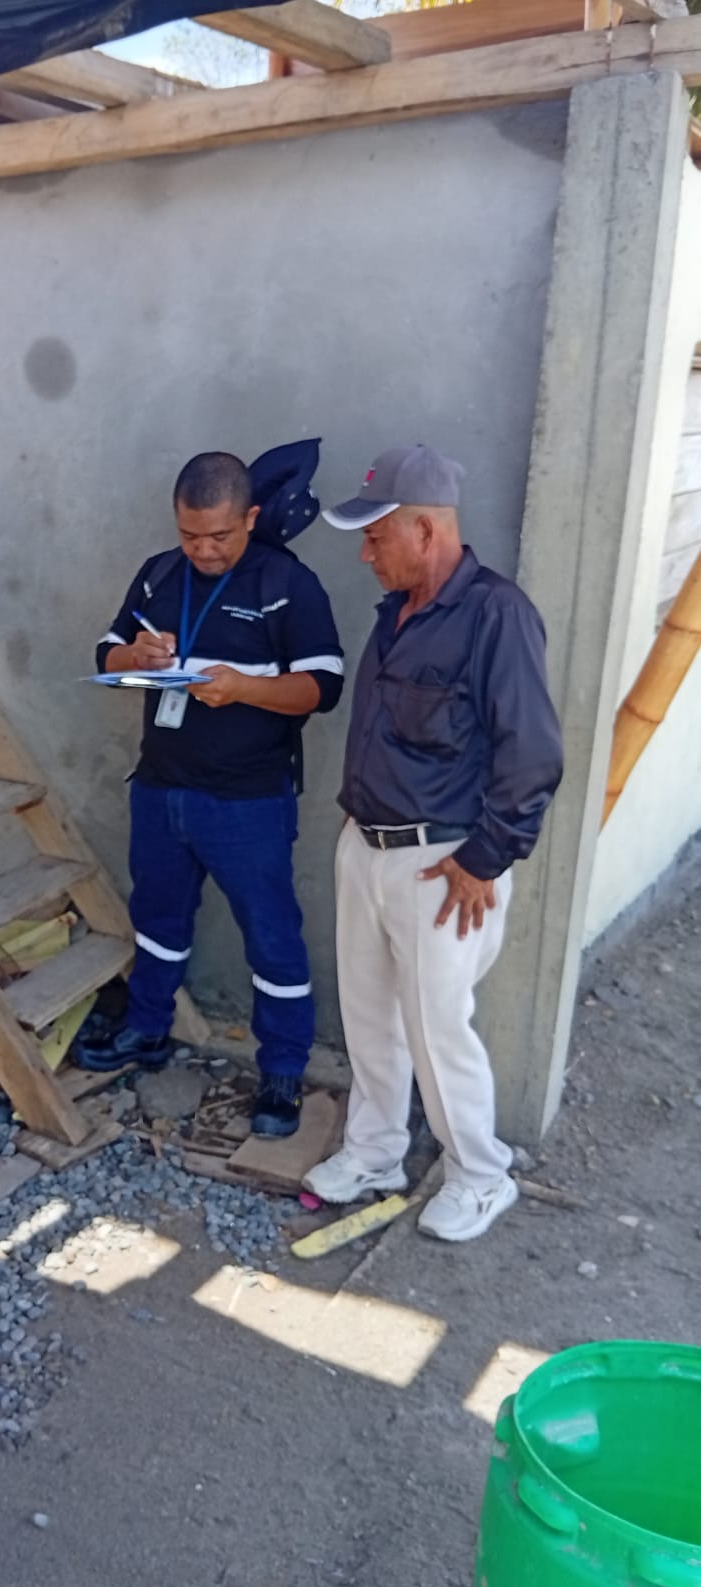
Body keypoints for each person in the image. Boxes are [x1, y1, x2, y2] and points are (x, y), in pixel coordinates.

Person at [304, 446, 564, 1241]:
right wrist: (357, 827)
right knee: (369, 1017)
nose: (365, 554)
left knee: (437, 1027)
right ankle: (374, 1152)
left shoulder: (496, 615)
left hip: (443, 865)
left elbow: (533, 754)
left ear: (425, 530)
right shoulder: (398, 612)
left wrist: (486, 858)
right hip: (367, 846)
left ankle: (480, 1177)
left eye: (375, 536)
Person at [76, 452, 344, 1138]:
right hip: (161, 785)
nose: (203, 550)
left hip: (247, 800)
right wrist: (137, 658)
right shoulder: (160, 573)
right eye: (190, 535)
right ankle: (147, 1027)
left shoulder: (286, 583)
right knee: (157, 917)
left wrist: (244, 688)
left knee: (272, 935)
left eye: (219, 536)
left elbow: (323, 687)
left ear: (249, 518)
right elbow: (107, 653)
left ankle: (282, 1067)